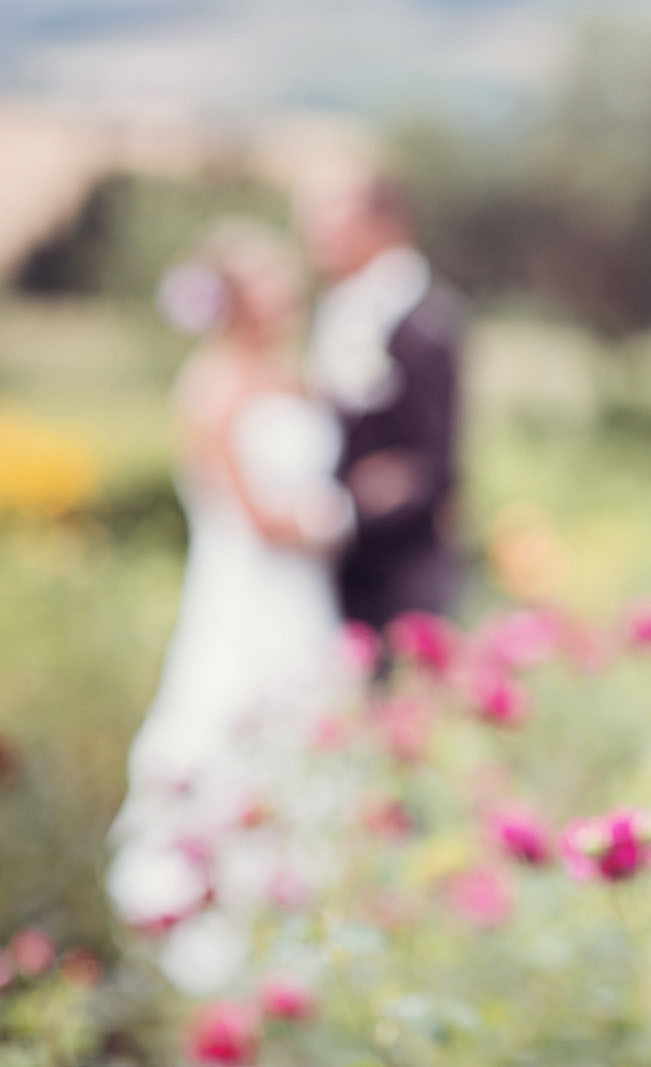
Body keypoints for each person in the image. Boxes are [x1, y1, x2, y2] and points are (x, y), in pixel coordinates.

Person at [107, 221, 353, 994]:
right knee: (229, 731)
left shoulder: (297, 374)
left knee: (310, 743)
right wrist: (346, 516)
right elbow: (254, 516)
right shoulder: (212, 385)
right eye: (271, 284)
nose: (288, 295)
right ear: (238, 300)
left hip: (305, 598)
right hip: (247, 595)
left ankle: (306, 932)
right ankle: (211, 936)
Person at [298, 173, 463, 634]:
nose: (318, 234)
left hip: (397, 571)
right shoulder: (337, 309)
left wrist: (344, 509)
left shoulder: (426, 320)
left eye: (333, 222)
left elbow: (434, 464)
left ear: (385, 225)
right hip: (330, 564)